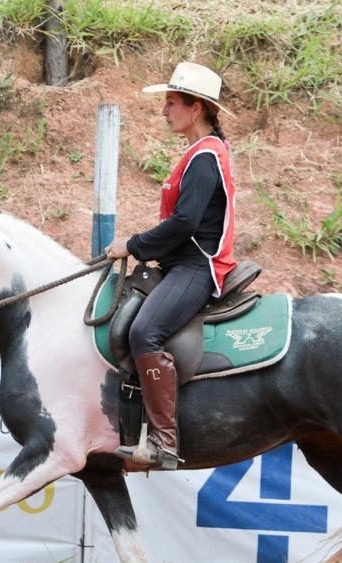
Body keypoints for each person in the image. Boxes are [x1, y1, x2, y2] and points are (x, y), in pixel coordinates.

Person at [106, 62, 238, 470]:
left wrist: (134, 244)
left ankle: (164, 441)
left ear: (196, 108)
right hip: (181, 262)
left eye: (171, 103)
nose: (164, 111)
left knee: (146, 332)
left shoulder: (205, 156)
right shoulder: (201, 153)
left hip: (197, 266)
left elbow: (185, 223)